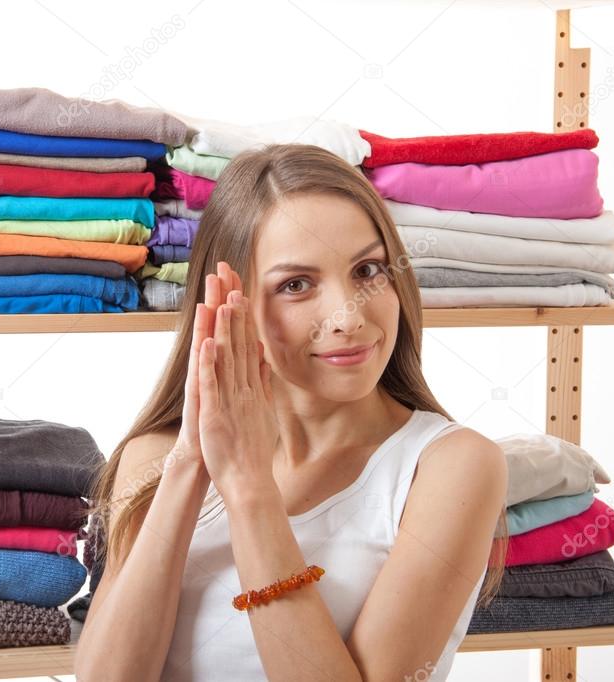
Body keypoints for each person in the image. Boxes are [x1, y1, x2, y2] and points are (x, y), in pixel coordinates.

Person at [75, 144, 509, 681]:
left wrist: (250, 490)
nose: (346, 315)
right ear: (230, 305)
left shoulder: (449, 468)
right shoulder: (155, 459)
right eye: (296, 285)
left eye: (368, 269)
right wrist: (191, 462)